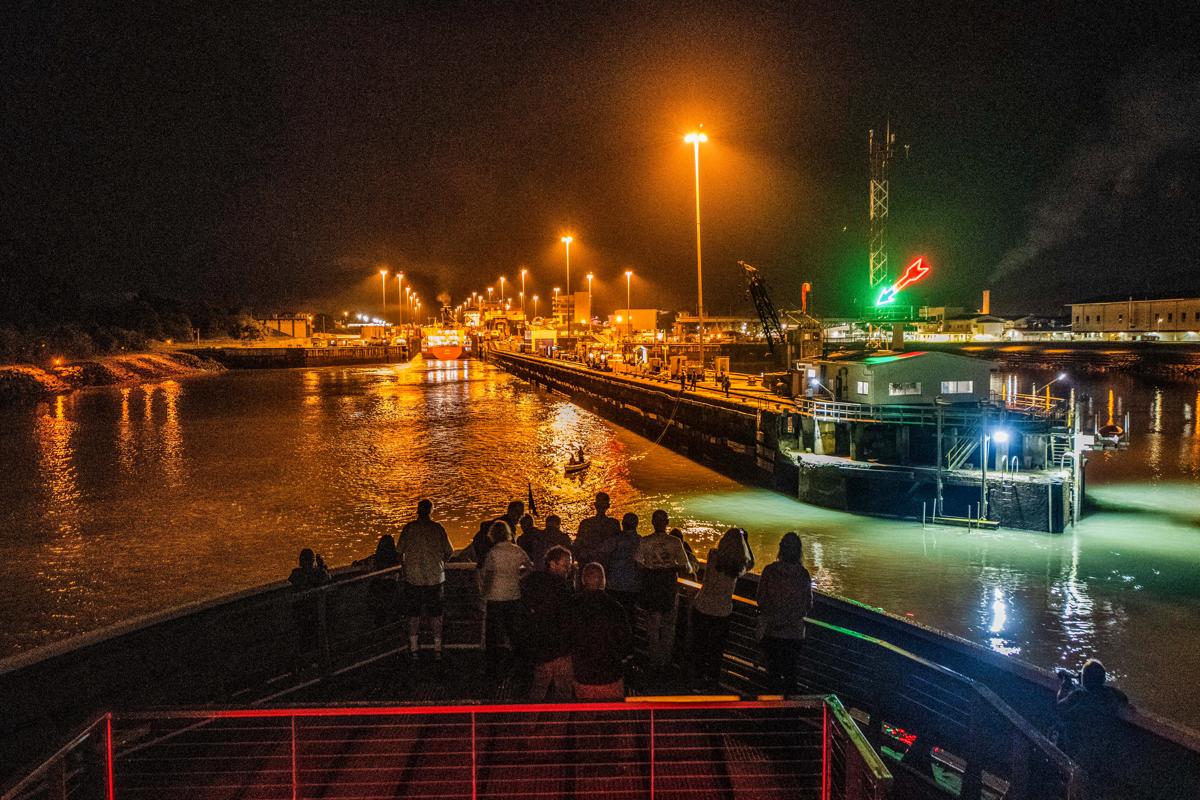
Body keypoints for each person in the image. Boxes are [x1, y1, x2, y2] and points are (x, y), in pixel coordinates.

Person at [689, 527, 754, 688]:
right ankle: (712, 682)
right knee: (716, 650)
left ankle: (696, 680)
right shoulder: (738, 566)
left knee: (700, 646)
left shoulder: (713, 555)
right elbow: (751, 562)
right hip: (721, 612)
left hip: (702, 607)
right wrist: (745, 540)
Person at [1055, 659, 1130, 797]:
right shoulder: (1109, 695)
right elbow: (1124, 697)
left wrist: (1064, 686)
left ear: (1084, 680)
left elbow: (1059, 707)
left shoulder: (1078, 696)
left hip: (1080, 755)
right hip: (1104, 756)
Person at [635, 510, 694, 670]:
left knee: (653, 626)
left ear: (653, 522)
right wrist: (670, 566)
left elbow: (639, 564)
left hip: (651, 586)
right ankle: (665, 661)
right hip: (668, 587)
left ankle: (654, 661)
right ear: (667, 522)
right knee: (669, 626)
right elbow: (686, 567)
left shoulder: (645, 541)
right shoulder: (675, 542)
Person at [396, 499, 454, 660]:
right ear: (431, 511)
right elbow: (449, 551)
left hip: (413, 579)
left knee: (413, 614)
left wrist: (404, 568)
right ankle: (437, 648)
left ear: (417, 511)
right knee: (436, 615)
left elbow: (399, 551)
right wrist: (440, 563)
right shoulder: (438, 529)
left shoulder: (409, 528)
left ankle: (414, 648)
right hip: (435, 578)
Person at [756, 532, 813, 693]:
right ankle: (789, 714)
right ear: (799, 551)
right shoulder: (803, 575)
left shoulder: (769, 571)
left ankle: (771, 713)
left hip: (772, 632)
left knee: (772, 676)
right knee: (790, 676)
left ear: (780, 549)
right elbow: (807, 605)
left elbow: (761, 599)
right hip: (794, 635)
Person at [480, 519, 534, 678]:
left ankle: (492, 667)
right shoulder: (517, 550)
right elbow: (530, 567)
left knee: (493, 635)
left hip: (495, 596)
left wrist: (484, 593)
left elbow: (489, 576)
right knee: (513, 631)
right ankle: (520, 665)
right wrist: (519, 577)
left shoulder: (493, 553)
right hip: (513, 595)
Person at [571, 563, 632, 699]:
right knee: (613, 714)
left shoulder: (573, 605)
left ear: (583, 580)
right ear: (603, 580)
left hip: (583, 673)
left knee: (586, 714)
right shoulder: (615, 607)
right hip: (610, 672)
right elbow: (624, 639)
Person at [522, 546, 575, 700]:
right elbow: (567, 618)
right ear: (552, 564)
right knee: (563, 691)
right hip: (560, 649)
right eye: (565, 564)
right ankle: (557, 722)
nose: (568, 568)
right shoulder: (563, 588)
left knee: (538, 689)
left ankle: (529, 722)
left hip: (540, 647)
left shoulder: (532, 582)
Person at [288, 548, 330, 664]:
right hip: (316, 615)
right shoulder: (318, 574)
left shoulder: (296, 575)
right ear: (313, 562)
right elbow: (327, 578)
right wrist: (322, 567)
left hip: (301, 615)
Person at [597, 512, 641, 619]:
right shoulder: (641, 541)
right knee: (629, 614)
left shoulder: (615, 539)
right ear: (636, 524)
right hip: (632, 585)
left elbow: (601, 552)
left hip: (613, 583)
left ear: (623, 524)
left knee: (612, 614)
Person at [472, 500, 524, 572]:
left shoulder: (500, 521)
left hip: (482, 554)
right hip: (485, 556)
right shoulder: (506, 526)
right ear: (510, 511)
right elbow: (511, 547)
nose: (519, 516)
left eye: (521, 514)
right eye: (517, 512)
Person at [573, 492, 621, 567]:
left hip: (588, 564)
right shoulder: (614, 524)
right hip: (607, 565)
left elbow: (577, 545)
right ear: (608, 506)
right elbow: (617, 547)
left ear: (595, 505)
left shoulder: (585, 523)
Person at [366, 534, 401, 628]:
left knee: (380, 614)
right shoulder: (396, 557)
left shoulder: (376, 558)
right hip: (391, 587)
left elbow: (369, 567)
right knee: (394, 611)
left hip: (377, 587)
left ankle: (380, 631)